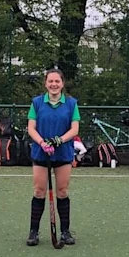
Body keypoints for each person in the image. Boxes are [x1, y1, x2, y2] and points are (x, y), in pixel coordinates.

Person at [25, 68, 80, 246]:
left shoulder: (71, 103)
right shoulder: (37, 103)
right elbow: (31, 128)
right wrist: (42, 142)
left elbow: (74, 129)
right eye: (50, 81)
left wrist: (58, 140)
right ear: (45, 83)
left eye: (57, 81)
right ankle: (33, 231)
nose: (54, 84)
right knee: (39, 191)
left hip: (62, 152)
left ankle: (65, 231)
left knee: (62, 191)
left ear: (62, 84)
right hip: (41, 152)